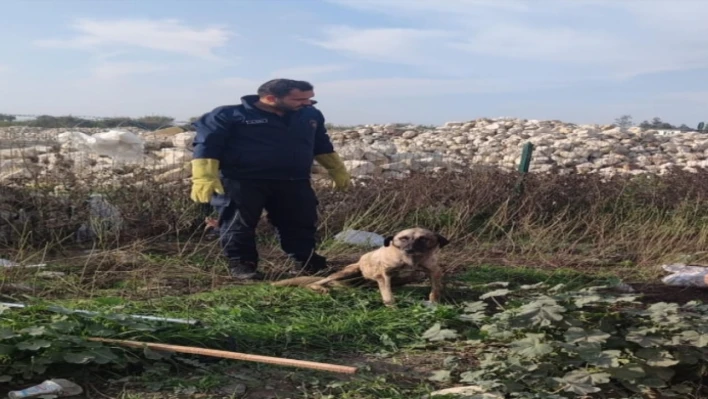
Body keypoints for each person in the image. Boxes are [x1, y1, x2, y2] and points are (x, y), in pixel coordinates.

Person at [189, 79, 351, 280]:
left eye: (310, 99)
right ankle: (243, 266)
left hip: (294, 180)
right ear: (270, 98)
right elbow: (206, 145)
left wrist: (337, 169)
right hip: (241, 181)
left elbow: (321, 144)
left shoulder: (310, 115)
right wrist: (204, 176)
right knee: (238, 224)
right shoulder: (227, 115)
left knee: (301, 222)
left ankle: (306, 261)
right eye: (300, 99)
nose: (307, 103)